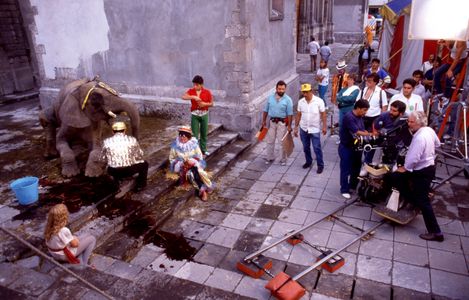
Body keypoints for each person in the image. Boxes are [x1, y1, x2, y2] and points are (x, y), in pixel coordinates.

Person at [389, 111, 443, 242]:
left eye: (411, 122)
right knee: (415, 191)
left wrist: (405, 168)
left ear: (419, 122)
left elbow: (413, 159)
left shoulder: (419, 138)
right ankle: (414, 200)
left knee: (395, 177)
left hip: (421, 171)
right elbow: (438, 144)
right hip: (429, 167)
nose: (409, 123)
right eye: (408, 121)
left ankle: (436, 232)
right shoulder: (429, 130)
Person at [169, 126, 214, 201]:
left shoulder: (194, 144)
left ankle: (205, 188)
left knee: (200, 172)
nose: (182, 139)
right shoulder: (175, 145)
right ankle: (204, 191)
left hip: (194, 164)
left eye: (184, 137)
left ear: (189, 137)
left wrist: (193, 161)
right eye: (180, 136)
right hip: (182, 167)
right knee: (191, 174)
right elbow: (171, 158)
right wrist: (181, 163)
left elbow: (200, 157)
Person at [101, 121, 148, 192]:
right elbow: (139, 155)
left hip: (113, 171)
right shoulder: (132, 140)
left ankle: (116, 180)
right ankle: (141, 185)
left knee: (110, 166)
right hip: (129, 171)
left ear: (113, 131)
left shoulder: (106, 141)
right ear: (125, 130)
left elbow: (103, 158)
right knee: (145, 164)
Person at [339, 99, 370, 199]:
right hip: (346, 147)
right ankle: (344, 189)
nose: (365, 112)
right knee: (345, 168)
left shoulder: (360, 116)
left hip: (356, 146)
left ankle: (352, 186)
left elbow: (362, 129)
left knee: (356, 167)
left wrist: (366, 132)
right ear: (358, 108)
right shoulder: (349, 117)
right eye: (364, 110)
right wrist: (370, 134)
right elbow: (357, 131)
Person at [294, 83, 327, 173]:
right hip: (303, 128)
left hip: (315, 129)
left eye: (306, 92)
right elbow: (298, 115)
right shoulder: (301, 102)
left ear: (311, 91)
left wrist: (324, 126)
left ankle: (320, 165)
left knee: (317, 148)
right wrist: (296, 127)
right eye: (303, 92)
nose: (305, 94)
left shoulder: (319, 101)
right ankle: (308, 161)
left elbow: (323, 114)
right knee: (305, 147)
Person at [261, 80, 293, 166]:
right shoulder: (270, 98)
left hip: (282, 123)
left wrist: (289, 126)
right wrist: (263, 121)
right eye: (279, 89)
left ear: (285, 89)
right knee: (270, 141)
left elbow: (290, 114)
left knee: (281, 142)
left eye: (283, 89)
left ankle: (283, 159)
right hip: (272, 122)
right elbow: (265, 110)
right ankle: (269, 157)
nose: (281, 91)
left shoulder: (288, 100)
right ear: (276, 88)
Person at [182, 75, 214, 156]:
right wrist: (193, 97)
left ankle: (203, 150)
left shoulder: (207, 92)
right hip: (195, 115)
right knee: (194, 135)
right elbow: (183, 96)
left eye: (197, 85)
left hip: (204, 114)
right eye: (194, 84)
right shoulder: (191, 91)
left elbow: (212, 104)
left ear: (201, 84)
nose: (195, 86)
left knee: (204, 133)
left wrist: (204, 104)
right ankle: (195, 151)